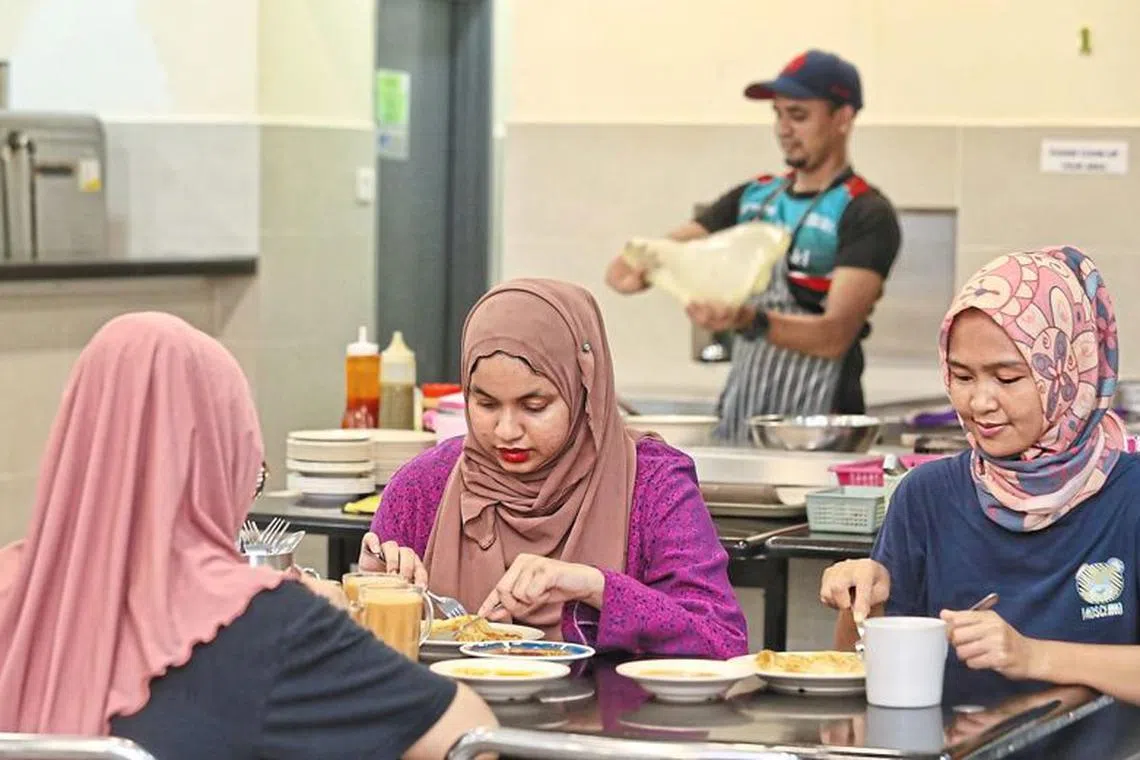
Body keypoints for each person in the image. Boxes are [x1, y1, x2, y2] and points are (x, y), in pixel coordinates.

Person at [0, 313, 496, 759]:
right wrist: (333, 628)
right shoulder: (265, 622)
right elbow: (469, 739)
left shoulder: (11, 583)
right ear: (220, 462)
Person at [359, 279, 747, 658]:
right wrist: (370, 594)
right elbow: (358, 657)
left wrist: (593, 586)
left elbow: (721, 640)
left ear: (584, 390)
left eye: (535, 405)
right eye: (486, 404)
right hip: (455, 717)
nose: (507, 431)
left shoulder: (651, 483)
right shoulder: (424, 485)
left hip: (614, 721)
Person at [819, 246, 1140, 704]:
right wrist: (861, 602)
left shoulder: (1130, 497)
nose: (979, 403)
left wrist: (1033, 656)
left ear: (1069, 372)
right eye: (962, 377)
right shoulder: (926, 496)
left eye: (1007, 379)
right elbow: (858, 672)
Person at [605, 49, 902, 444]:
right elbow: (626, 269)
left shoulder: (864, 211)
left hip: (822, 429)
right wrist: (649, 268)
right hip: (743, 419)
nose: (783, 128)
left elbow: (833, 337)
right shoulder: (753, 200)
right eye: (778, 114)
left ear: (843, 118)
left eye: (798, 115)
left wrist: (746, 320)